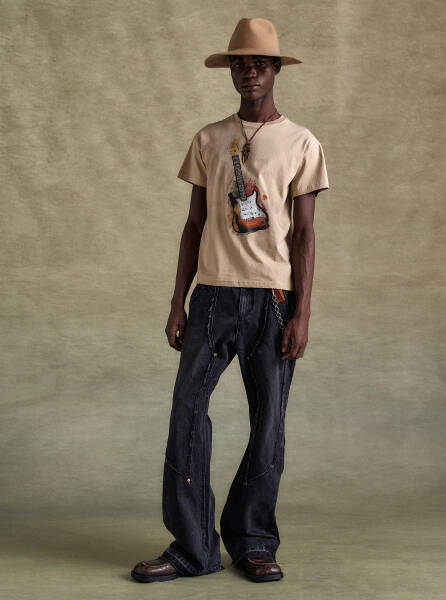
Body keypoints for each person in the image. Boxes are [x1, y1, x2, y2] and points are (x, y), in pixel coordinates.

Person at [131, 17, 329, 584]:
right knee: (187, 413)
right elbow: (194, 224)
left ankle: (253, 541)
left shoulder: (302, 143)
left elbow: (304, 234)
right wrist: (178, 302)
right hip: (214, 296)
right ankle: (192, 548)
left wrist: (302, 312)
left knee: (268, 422)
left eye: (259, 64)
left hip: (273, 299)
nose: (249, 73)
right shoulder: (209, 138)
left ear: (275, 70)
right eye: (240, 65)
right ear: (232, 72)